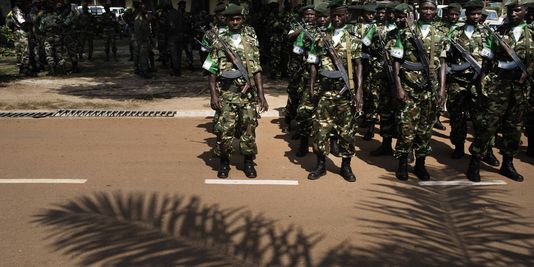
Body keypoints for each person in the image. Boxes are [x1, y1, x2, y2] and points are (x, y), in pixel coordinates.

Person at [467, 0, 534, 182]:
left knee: (514, 128)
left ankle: (508, 164)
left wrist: (528, 73)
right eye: (511, 10)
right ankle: (474, 162)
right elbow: (487, 58)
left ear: (525, 12)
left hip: (520, 89)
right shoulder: (498, 33)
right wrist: (482, 80)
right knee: (487, 126)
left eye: (517, 10)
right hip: (498, 86)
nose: (513, 14)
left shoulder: (532, 34)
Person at [203, 3, 269, 179]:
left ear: (243, 20)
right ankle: (224, 163)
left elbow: (256, 69)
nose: (234, 22)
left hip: (247, 95)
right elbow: (211, 71)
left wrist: (261, 96)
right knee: (225, 131)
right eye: (231, 19)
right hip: (225, 93)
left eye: (238, 19)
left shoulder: (250, 39)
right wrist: (213, 95)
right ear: (227, 20)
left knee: (248, 129)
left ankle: (248, 162)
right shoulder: (219, 40)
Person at [390, 1, 448, 181]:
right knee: (406, 128)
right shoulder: (405, 32)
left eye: (431, 8)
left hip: (430, 89)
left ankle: (421, 165)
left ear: (435, 10)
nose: (428, 11)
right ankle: (402, 165)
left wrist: (442, 89)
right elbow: (396, 62)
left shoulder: (441, 33)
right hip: (409, 88)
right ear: (419, 10)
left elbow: (443, 64)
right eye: (425, 8)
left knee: (425, 130)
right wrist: (398, 87)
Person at [307, 0, 363, 182]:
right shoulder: (320, 38)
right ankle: (321, 165)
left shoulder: (353, 39)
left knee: (347, 132)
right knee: (320, 131)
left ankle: (346, 167)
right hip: (324, 92)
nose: (337, 19)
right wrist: (311, 87)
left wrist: (359, 91)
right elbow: (313, 65)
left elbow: (358, 67)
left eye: (341, 15)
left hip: (345, 93)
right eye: (334, 16)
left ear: (347, 16)